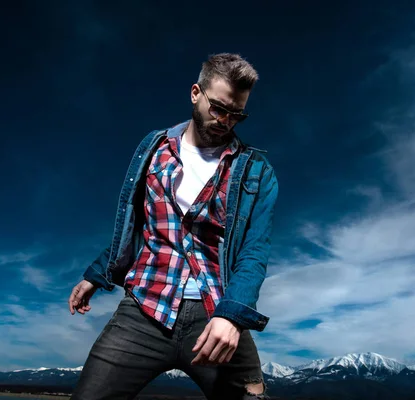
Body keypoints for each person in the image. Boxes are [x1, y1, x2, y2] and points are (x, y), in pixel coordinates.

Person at [68, 53, 279, 400]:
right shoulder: (152, 150)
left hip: (215, 313)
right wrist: (97, 274)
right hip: (144, 308)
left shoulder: (256, 171)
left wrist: (233, 317)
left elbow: (254, 251)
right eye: (219, 108)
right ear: (196, 93)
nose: (226, 121)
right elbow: (137, 229)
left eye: (236, 114)